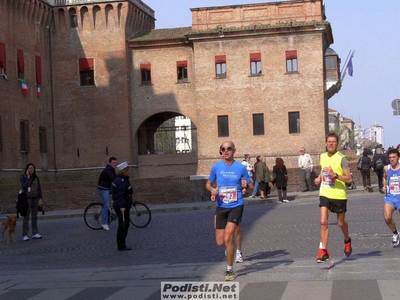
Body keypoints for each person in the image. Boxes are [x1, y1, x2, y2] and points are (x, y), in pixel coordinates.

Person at [206, 141, 253, 281]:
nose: (225, 151)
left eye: (229, 149)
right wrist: (212, 189)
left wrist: (247, 187)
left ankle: (229, 269)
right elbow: (208, 183)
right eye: (223, 149)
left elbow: (251, 186)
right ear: (220, 151)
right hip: (221, 206)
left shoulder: (240, 167)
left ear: (234, 151)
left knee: (228, 237)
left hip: (236, 205)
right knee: (220, 242)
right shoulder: (216, 167)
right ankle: (230, 247)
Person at [314, 132, 353, 263]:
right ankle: (323, 250)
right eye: (329, 141)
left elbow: (349, 179)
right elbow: (322, 170)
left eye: (333, 142)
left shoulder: (342, 158)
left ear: (337, 144)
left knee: (340, 223)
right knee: (323, 221)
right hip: (325, 192)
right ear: (326, 143)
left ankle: (347, 239)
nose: (331, 144)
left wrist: (335, 175)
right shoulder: (323, 156)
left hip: (339, 195)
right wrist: (319, 179)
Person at [112, 161, 133, 251]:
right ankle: (121, 244)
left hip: (123, 204)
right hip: (122, 206)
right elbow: (120, 194)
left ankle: (122, 243)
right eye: (128, 170)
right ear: (125, 171)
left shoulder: (122, 180)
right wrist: (122, 206)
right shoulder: (121, 181)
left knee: (124, 224)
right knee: (123, 224)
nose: (129, 171)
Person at [20, 163, 43, 241]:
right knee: (26, 216)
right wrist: (28, 177)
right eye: (29, 168)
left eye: (32, 168)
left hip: (35, 198)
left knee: (34, 216)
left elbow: (39, 188)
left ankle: (35, 233)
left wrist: (40, 198)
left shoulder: (36, 177)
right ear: (27, 169)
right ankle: (25, 234)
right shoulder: (23, 177)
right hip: (27, 199)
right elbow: (24, 186)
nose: (31, 169)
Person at [382, 148, 400, 247]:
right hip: (390, 197)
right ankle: (395, 233)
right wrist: (384, 186)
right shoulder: (386, 168)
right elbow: (384, 177)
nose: (392, 159)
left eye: (394, 157)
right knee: (387, 217)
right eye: (390, 157)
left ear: (398, 158)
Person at [97, 157, 117, 230]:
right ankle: (104, 223)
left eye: (116, 163)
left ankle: (109, 214)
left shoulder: (112, 169)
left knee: (116, 197)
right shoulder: (108, 170)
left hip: (108, 188)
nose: (115, 164)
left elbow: (116, 178)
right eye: (113, 163)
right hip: (103, 189)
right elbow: (113, 179)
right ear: (109, 163)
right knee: (106, 204)